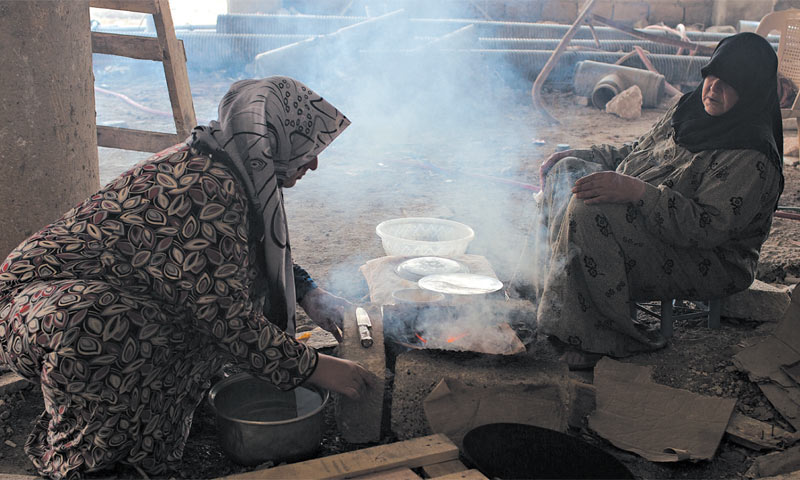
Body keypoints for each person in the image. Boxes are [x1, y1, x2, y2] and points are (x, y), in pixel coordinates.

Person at [0, 76, 377, 479]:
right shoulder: (202, 185)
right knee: (112, 326)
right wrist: (317, 368)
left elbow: (243, 259)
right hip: (38, 310)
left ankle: (147, 433)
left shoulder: (234, 167)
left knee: (173, 327)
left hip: (109, 294)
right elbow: (225, 316)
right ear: (273, 137)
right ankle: (92, 460)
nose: (314, 162)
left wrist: (310, 294)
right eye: (307, 147)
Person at [532, 33, 784, 369]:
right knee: (568, 173)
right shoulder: (692, 110)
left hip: (708, 259)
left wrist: (636, 192)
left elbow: (706, 229)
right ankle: (547, 301)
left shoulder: (752, 154)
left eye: (728, 84)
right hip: (655, 223)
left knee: (591, 211)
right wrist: (577, 155)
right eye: (711, 76)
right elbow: (636, 153)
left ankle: (600, 339)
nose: (712, 88)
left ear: (751, 89)